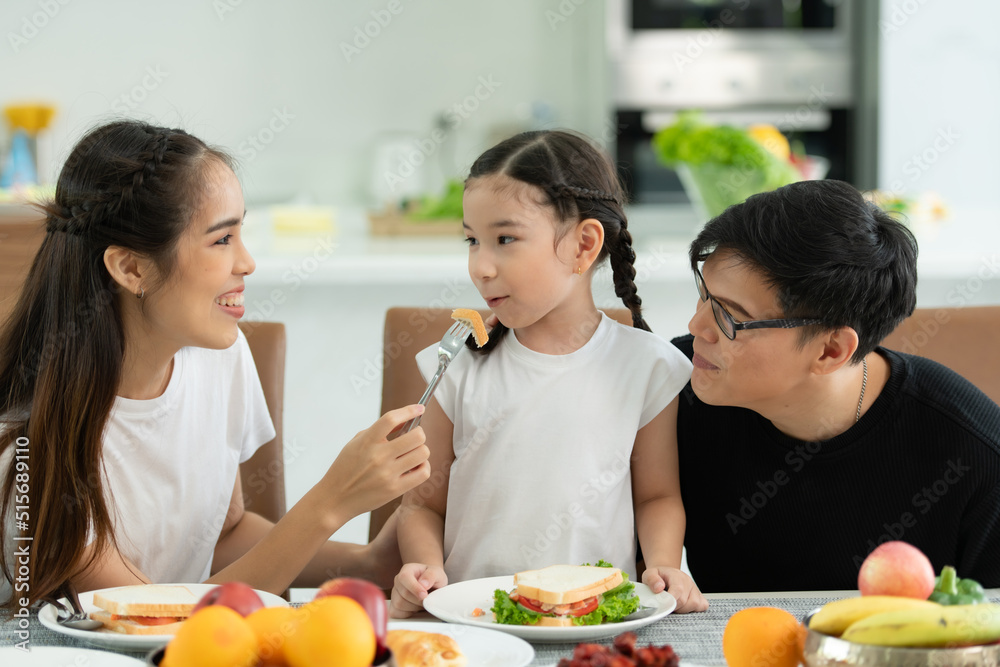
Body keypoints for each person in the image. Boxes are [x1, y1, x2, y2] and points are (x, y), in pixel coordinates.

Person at [0, 120, 431, 611]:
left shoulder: (219, 356)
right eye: (222, 239)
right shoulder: (33, 440)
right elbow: (148, 621)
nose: (247, 262)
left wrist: (367, 562)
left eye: (240, 233)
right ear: (132, 269)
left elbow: (222, 535)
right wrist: (329, 503)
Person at [391, 130, 709, 617]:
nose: (480, 265)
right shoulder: (458, 363)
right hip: (477, 619)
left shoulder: (647, 366)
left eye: (505, 239)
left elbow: (658, 496)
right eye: (472, 240)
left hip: (597, 617)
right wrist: (424, 566)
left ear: (583, 244)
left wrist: (666, 564)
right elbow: (421, 506)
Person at [672, 179, 1000, 592]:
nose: (696, 326)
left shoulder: (976, 456)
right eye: (704, 296)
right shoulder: (671, 388)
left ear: (831, 350)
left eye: (729, 316)